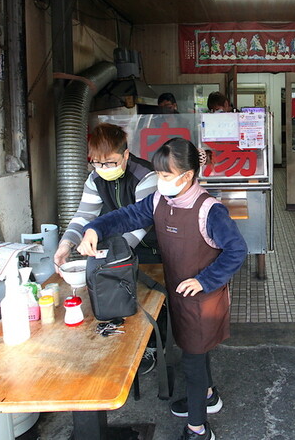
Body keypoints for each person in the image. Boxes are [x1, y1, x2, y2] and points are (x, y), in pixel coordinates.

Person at [79, 137, 247, 440]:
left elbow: (236, 251)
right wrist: (95, 228)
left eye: (166, 176)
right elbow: (127, 216)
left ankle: (198, 429)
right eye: (158, 174)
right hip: (179, 294)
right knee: (194, 351)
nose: (160, 181)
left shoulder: (210, 210)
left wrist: (205, 280)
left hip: (203, 302)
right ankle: (208, 396)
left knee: (193, 361)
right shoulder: (160, 200)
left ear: (187, 176)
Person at [54, 123, 160, 372]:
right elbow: (83, 215)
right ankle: (126, 347)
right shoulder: (94, 179)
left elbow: (142, 223)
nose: (104, 169)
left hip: (153, 249)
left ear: (125, 154)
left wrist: (113, 257)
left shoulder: (145, 175)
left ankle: (154, 346)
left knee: (153, 300)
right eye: (98, 164)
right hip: (119, 247)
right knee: (123, 296)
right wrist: (65, 244)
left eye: (111, 163)